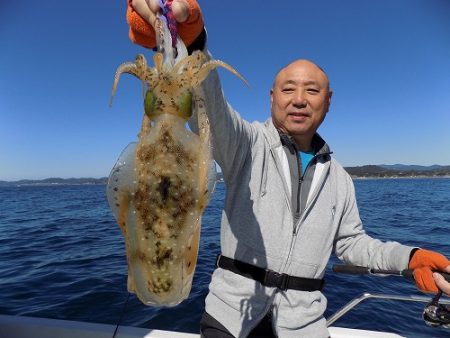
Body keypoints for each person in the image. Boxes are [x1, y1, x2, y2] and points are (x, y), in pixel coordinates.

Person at [126, 1, 450, 337]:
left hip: (304, 325)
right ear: (271, 98)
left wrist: (408, 258)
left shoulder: (339, 178)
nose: (299, 99)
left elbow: (353, 245)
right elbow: (210, 106)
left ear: (328, 101)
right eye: (288, 89)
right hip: (230, 317)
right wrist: (192, 42)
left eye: (312, 90)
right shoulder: (245, 144)